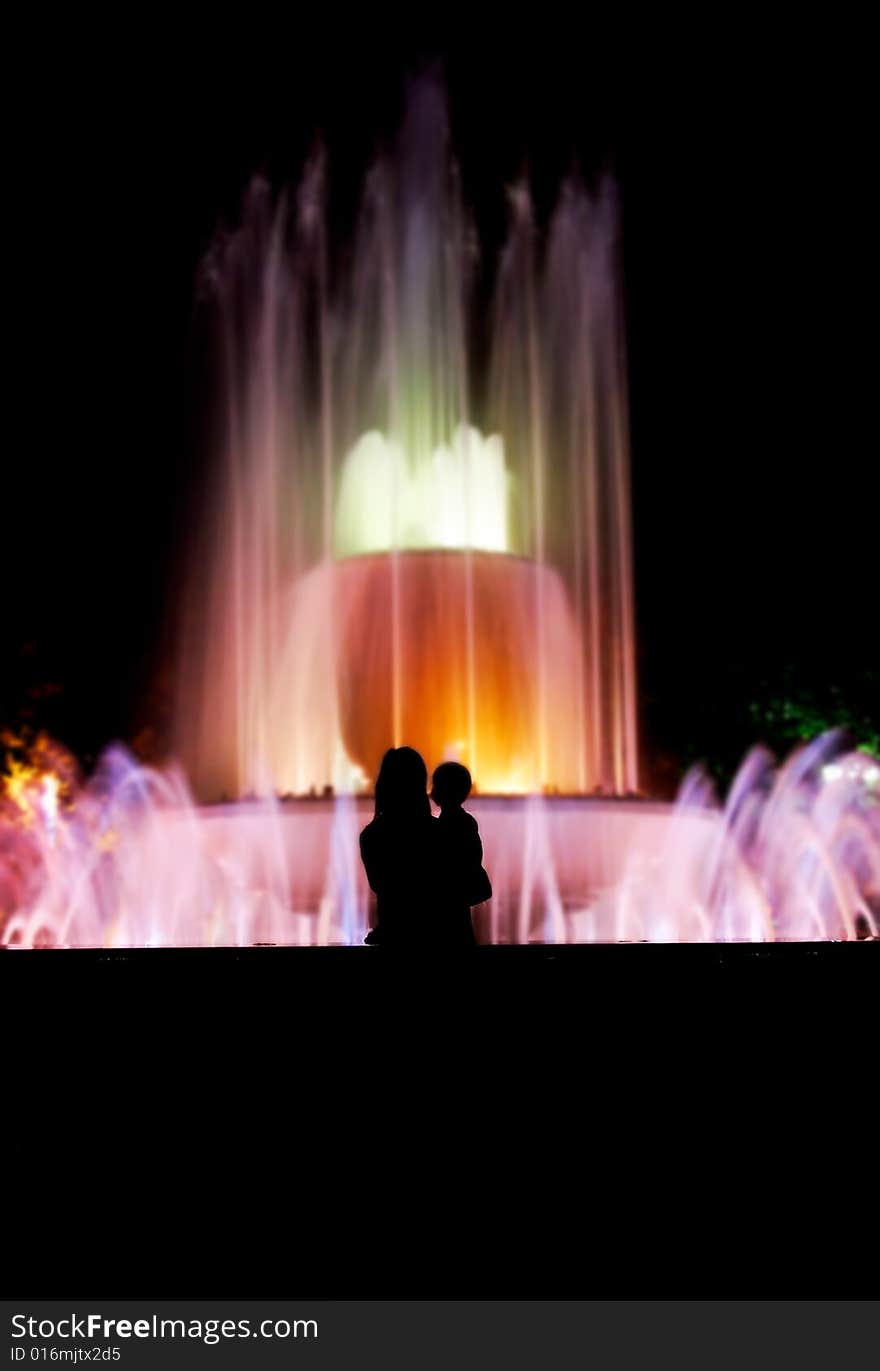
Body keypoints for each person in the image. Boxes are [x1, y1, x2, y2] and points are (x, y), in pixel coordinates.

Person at [359, 747, 438, 946]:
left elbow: (379, 885)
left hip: (394, 934)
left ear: (383, 785)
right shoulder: (439, 832)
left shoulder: (372, 836)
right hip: (438, 934)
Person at [430, 761, 492, 946]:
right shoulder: (465, 821)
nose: (432, 790)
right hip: (459, 900)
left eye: (436, 785)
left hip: (449, 900)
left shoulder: (446, 825)